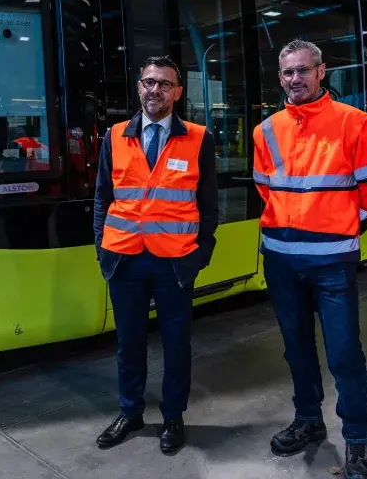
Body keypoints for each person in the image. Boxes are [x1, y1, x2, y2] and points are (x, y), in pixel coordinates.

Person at [253, 39, 367, 479]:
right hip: (281, 260)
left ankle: (357, 441)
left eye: (304, 70)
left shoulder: (355, 123)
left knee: (344, 353)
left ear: (321, 71)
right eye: (288, 72)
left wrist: (338, 229)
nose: (296, 79)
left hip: (332, 263)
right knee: (297, 348)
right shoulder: (266, 130)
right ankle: (308, 419)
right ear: (280, 77)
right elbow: (265, 189)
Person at [93, 55, 219, 454]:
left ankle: (173, 417)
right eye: (149, 82)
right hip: (124, 258)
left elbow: (209, 205)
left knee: (176, 344)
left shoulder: (198, 138)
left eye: (165, 84)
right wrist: (102, 248)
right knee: (128, 343)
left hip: (174, 261)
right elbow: (102, 198)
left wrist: (200, 253)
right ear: (139, 87)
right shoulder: (115, 136)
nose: (155, 90)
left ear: (177, 92)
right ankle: (130, 412)